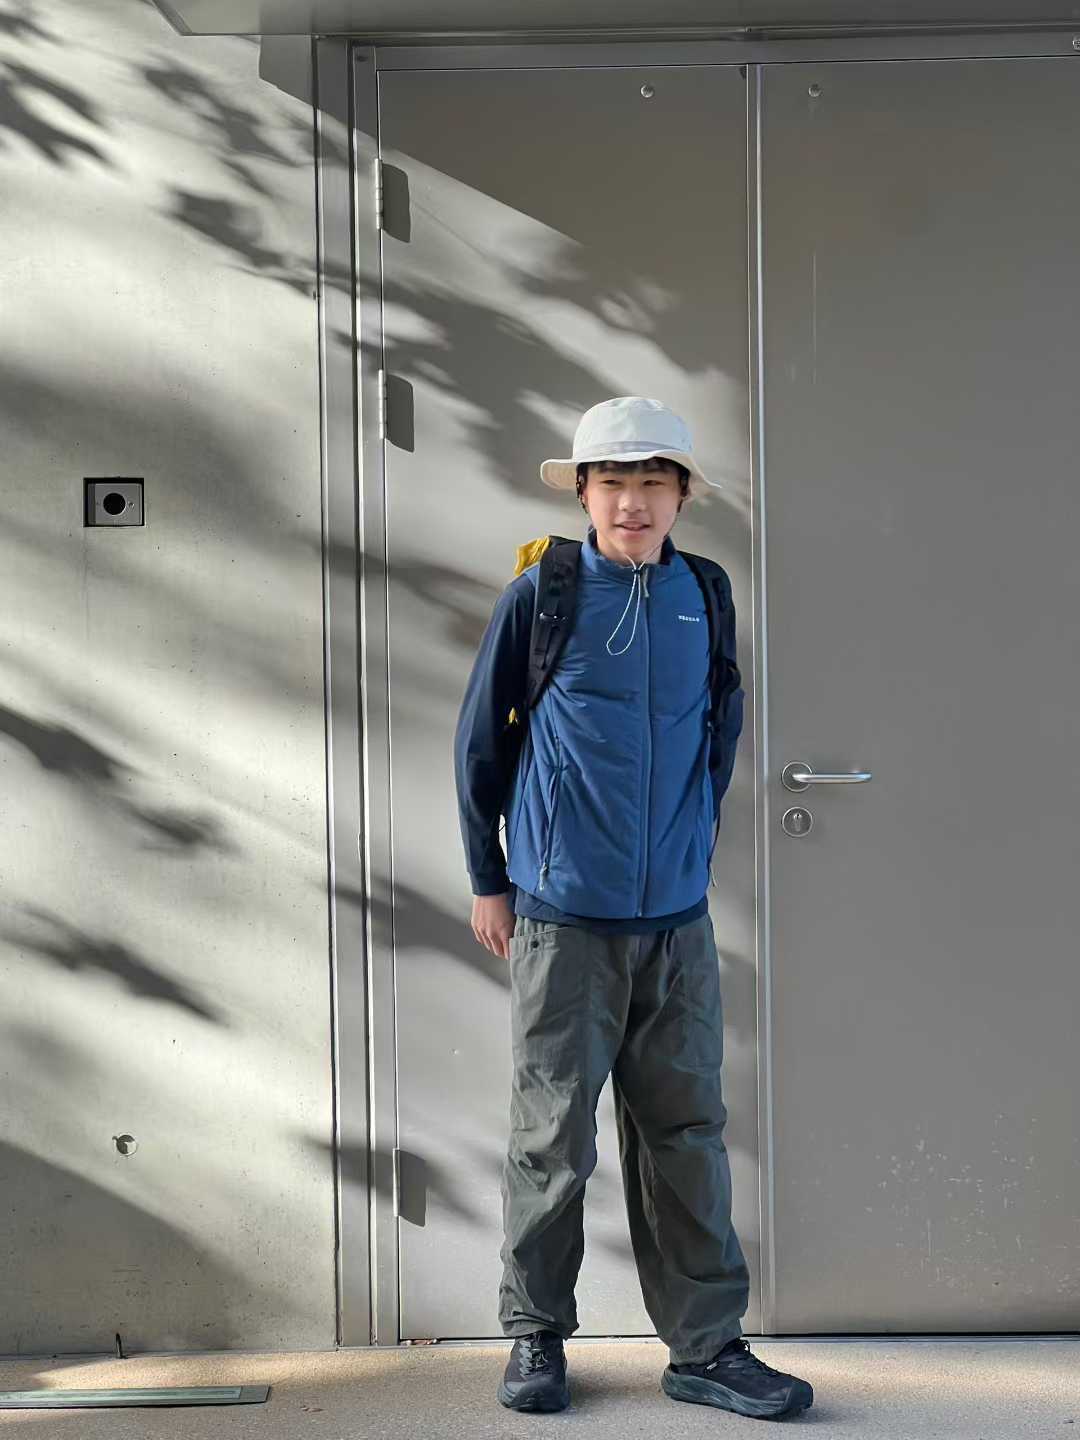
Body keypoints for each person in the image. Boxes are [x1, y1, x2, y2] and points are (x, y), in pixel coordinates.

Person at [453, 396, 814, 1421]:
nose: (632, 503)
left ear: (683, 495)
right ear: (583, 492)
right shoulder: (541, 593)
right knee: (552, 1139)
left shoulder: (707, 591)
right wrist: (491, 879)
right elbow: (481, 744)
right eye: (612, 483)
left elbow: (719, 729)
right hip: (563, 917)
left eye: (653, 483)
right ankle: (535, 1335)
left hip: (675, 923)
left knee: (687, 1136)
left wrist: (688, 853)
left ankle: (707, 1348)